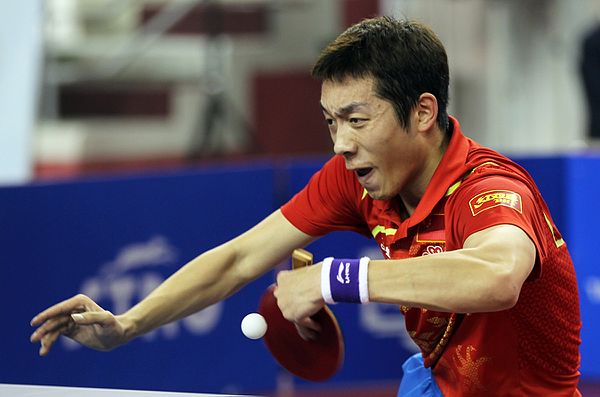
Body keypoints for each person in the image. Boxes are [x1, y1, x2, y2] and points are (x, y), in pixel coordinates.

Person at [30, 17, 581, 396]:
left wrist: (333, 280)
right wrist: (126, 325)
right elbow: (239, 258)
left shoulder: (490, 187)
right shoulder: (355, 180)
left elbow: (498, 274)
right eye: (331, 122)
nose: (341, 143)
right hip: (437, 383)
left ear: (422, 112)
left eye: (357, 120)